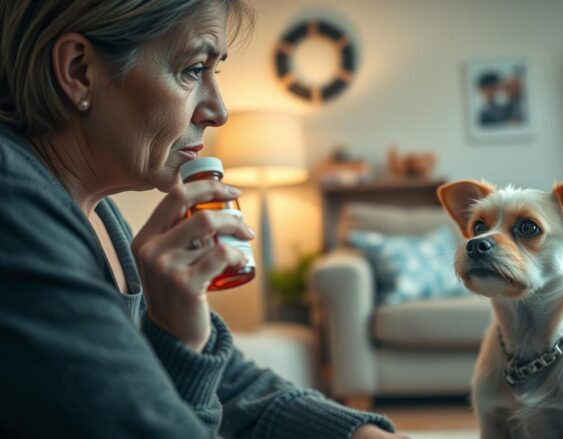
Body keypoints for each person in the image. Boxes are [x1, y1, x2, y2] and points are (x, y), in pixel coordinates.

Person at [0, 1, 407, 438]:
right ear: (79, 71)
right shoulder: (16, 208)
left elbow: (231, 384)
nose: (218, 110)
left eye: (216, 72)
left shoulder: (94, 210)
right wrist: (180, 345)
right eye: (194, 69)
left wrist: (359, 434)